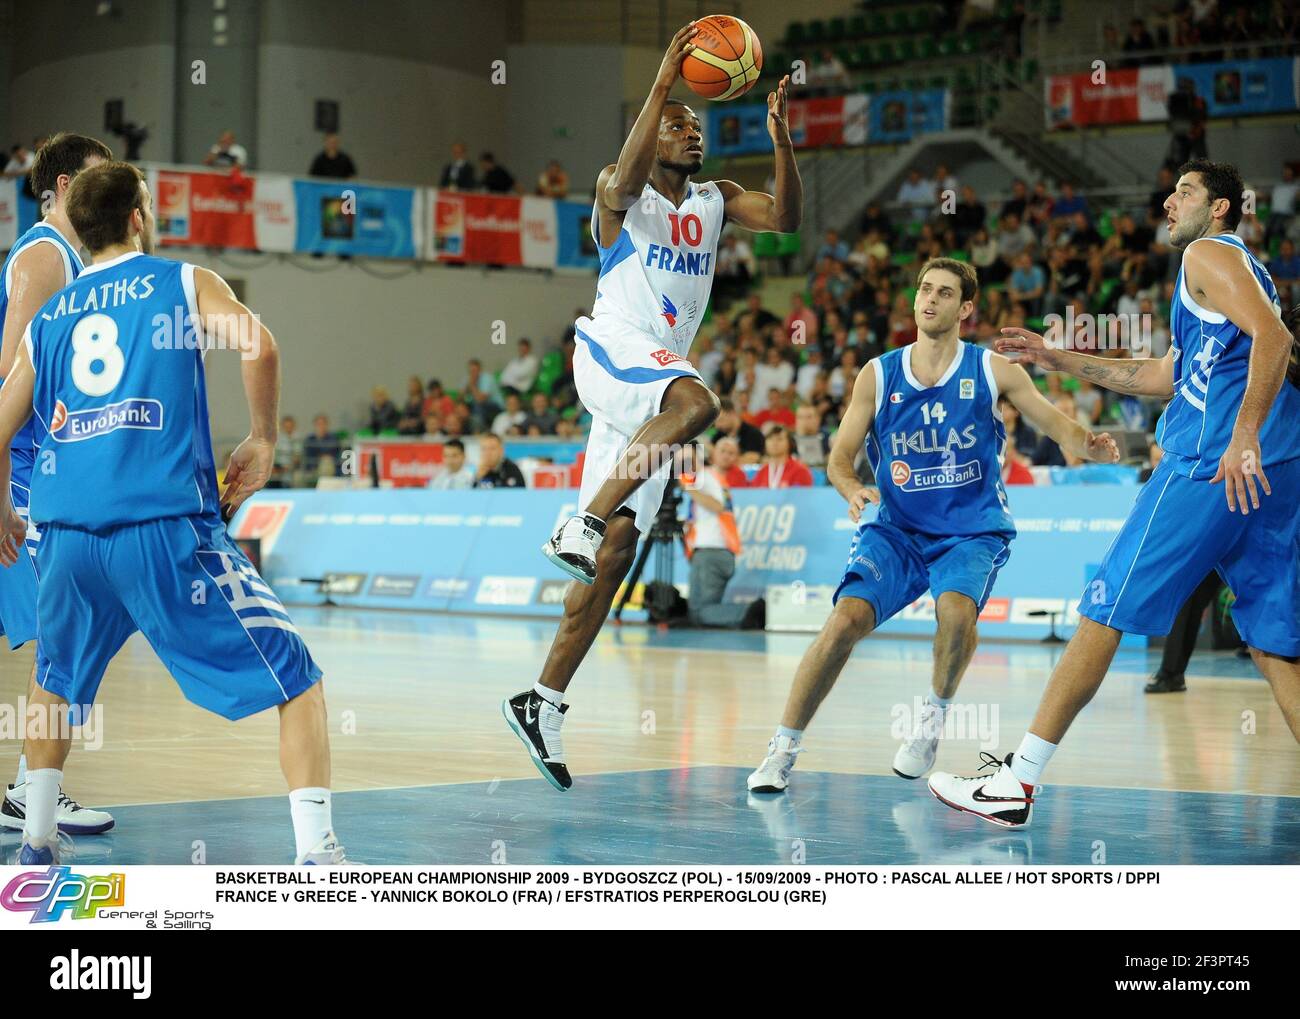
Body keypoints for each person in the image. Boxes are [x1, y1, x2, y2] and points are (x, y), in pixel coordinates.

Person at [932, 160, 1300, 828]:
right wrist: (1056, 358)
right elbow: (1162, 373)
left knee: (1105, 604)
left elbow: (1277, 338)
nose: (1169, 200)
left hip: (1209, 465)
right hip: (1272, 471)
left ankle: (1019, 780)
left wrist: (1240, 433)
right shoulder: (1240, 272)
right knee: (1275, 642)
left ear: (1220, 207)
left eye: (1185, 192)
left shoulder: (1209, 254)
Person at [1, 161, 348, 864]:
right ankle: (318, 855)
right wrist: (263, 436)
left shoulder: (50, 318)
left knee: (55, 682)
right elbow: (260, 342)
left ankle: (35, 837)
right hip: (160, 524)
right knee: (299, 678)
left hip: (65, 535)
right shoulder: (181, 280)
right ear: (138, 217)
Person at [504, 22, 802, 791]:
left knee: (615, 560)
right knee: (699, 400)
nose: (691, 133)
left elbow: (788, 221)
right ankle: (582, 518)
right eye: (679, 124)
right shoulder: (619, 192)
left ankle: (541, 699)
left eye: (698, 125)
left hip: (648, 388)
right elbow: (623, 180)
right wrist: (664, 84)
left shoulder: (716, 199)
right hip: (614, 348)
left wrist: (782, 142)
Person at [746, 258, 1119, 794]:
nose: (930, 299)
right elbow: (840, 457)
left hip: (971, 530)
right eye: (924, 289)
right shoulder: (878, 373)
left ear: (965, 308)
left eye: (944, 293)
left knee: (954, 613)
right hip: (896, 528)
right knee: (843, 623)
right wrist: (853, 489)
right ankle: (782, 750)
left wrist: (1093, 447)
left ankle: (933, 718)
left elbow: (1057, 425)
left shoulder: (993, 369)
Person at [0, 133, 116, 838]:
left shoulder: (76, 260)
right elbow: (8, 377)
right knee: (69, 633)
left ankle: (31, 786)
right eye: (105, 182)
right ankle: (32, 788)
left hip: (43, 476)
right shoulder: (46, 255)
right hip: (22, 480)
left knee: (68, 633)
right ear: (66, 184)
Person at [681, 445, 752, 628]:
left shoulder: (703, 477)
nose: (684, 464)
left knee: (701, 613)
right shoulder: (709, 478)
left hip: (711, 552)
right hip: (714, 552)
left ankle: (750, 611)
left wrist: (689, 489)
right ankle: (746, 613)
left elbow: (717, 506)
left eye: (689, 459)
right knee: (699, 612)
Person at [749, 426, 813, 488]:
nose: (774, 443)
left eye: (779, 439)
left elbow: (803, 497)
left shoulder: (800, 471)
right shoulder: (762, 472)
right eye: (770, 439)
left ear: (790, 443)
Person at [301, 414, 343, 480]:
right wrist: (320, 457)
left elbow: (335, 454)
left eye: (323, 424)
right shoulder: (309, 439)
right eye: (318, 424)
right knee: (297, 476)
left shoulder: (333, 438)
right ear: (314, 425)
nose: (321, 426)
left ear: (327, 425)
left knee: (326, 462)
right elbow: (308, 455)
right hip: (313, 467)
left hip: (331, 467)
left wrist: (324, 457)